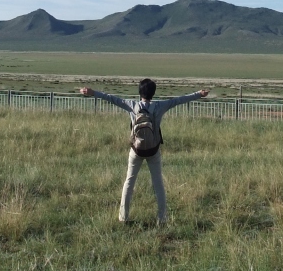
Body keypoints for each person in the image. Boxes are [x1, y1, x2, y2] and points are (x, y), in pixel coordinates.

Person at [79, 79, 209, 225]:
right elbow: (178, 100)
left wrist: (92, 92)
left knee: (129, 181)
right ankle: (162, 218)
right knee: (158, 183)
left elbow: (111, 98)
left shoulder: (132, 105)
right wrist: (198, 94)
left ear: (139, 92)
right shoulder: (159, 106)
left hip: (136, 150)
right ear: (153, 93)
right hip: (153, 150)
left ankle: (123, 217)